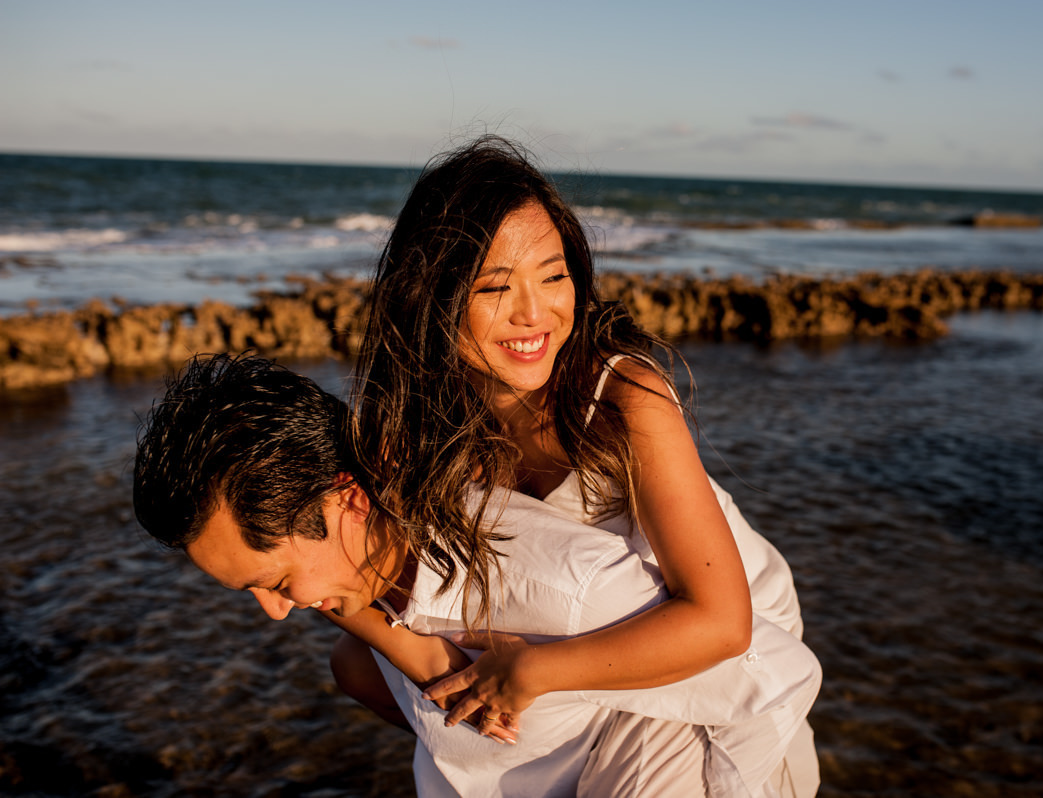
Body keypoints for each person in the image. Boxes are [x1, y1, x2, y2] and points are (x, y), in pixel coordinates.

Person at [349, 135, 821, 795]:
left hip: (710, 667)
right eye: (494, 287)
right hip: (577, 686)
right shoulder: (410, 436)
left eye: (553, 274)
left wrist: (537, 674)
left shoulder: (624, 399)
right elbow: (352, 633)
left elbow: (722, 623)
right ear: (430, 295)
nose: (535, 312)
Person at [133, 353, 821, 797]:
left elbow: (776, 674)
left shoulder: (558, 591)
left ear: (347, 497)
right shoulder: (366, 630)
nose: (277, 612)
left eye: (277, 583)